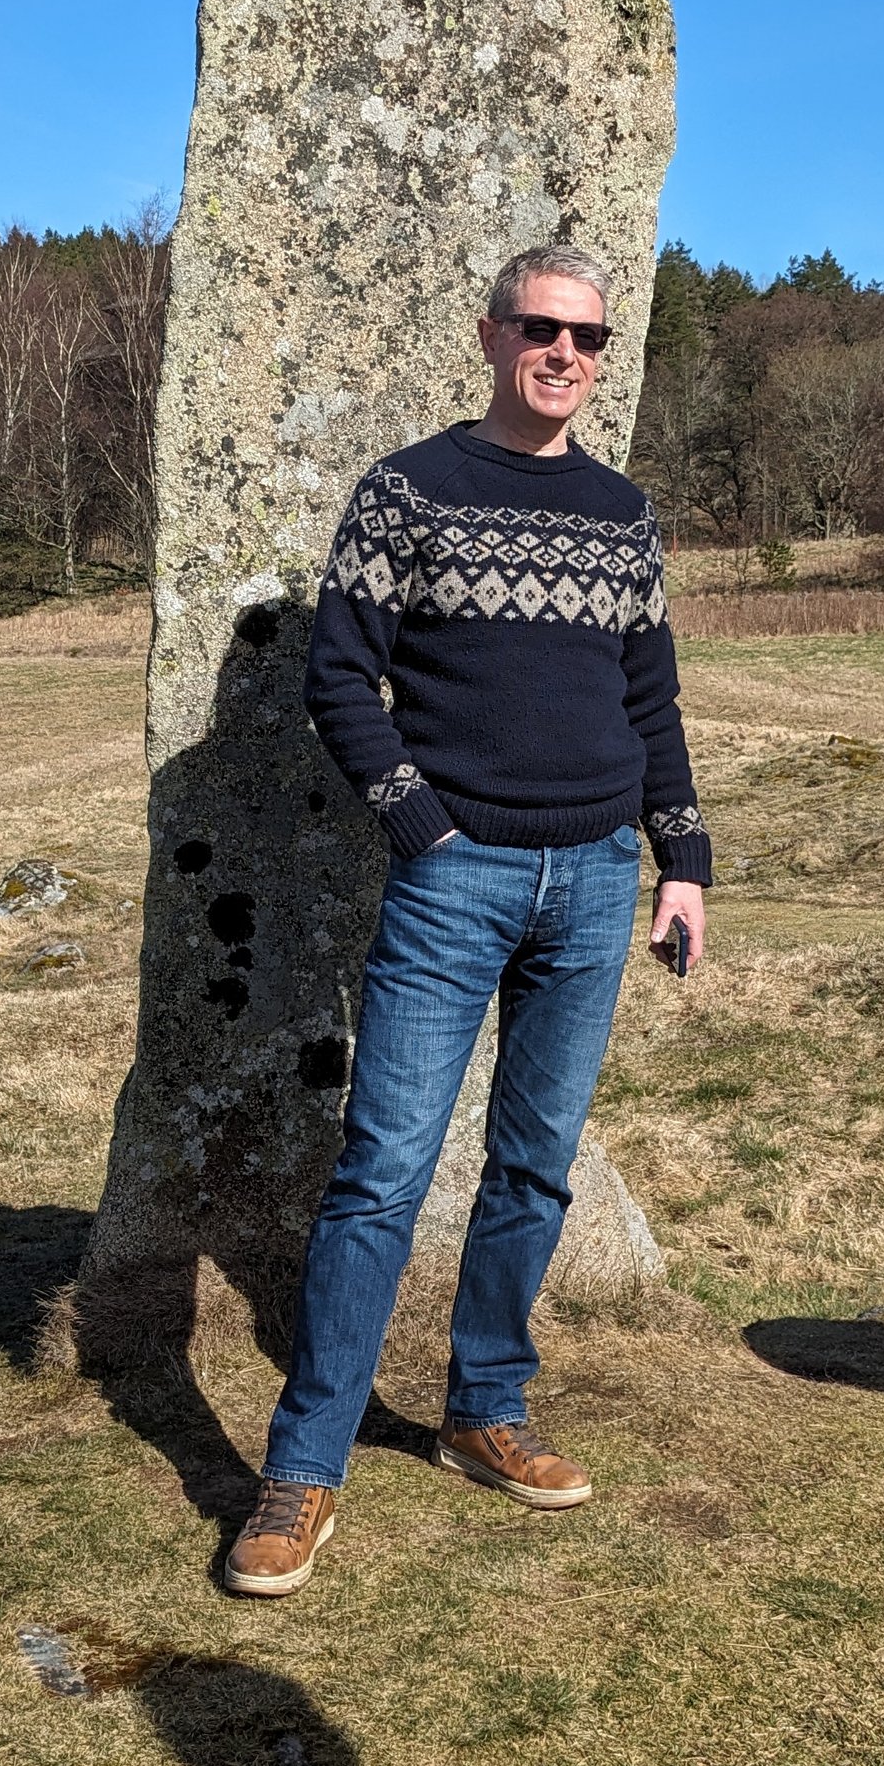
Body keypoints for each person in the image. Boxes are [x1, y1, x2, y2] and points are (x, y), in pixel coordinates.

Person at [225, 245, 711, 1597]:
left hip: (596, 883)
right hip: (454, 882)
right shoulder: (410, 490)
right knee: (383, 1172)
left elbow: (652, 703)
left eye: (590, 337)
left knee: (536, 1165)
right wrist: (420, 826)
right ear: (490, 334)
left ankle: (484, 1406)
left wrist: (682, 858)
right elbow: (340, 677)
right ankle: (303, 1468)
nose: (567, 352)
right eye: (543, 328)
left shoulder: (624, 517)